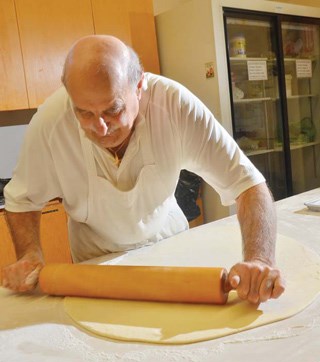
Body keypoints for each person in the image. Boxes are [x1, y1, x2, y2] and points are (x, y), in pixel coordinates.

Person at [2, 35, 285, 303]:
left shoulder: (175, 106)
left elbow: (248, 184)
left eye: (113, 109)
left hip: (170, 248)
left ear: (139, 86)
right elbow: (22, 199)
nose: (100, 128)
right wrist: (30, 253)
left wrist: (259, 260)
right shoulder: (51, 123)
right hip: (96, 267)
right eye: (84, 113)